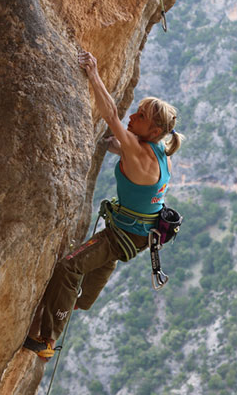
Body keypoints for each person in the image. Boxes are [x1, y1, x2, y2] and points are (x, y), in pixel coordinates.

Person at [23, 49, 184, 359]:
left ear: (154, 131)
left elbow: (111, 115)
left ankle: (46, 341)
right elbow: (128, 158)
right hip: (137, 238)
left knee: (69, 267)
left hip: (119, 237)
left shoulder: (140, 152)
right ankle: (71, 303)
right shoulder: (161, 153)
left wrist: (94, 74)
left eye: (140, 117)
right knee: (87, 288)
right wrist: (115, 147)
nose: (131, 117)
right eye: (135, 111)